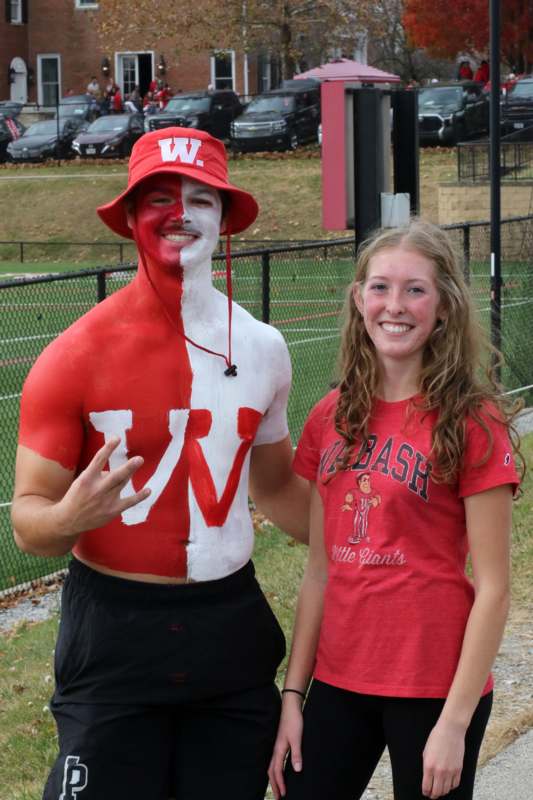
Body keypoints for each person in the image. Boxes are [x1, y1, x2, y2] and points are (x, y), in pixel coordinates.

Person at [11, 127, 310, 800]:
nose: (180, 213)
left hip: (228, 626)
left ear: (225, 217)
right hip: (114, 630)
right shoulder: (74, 354)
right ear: (128, 219)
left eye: (200, 198)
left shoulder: (263, 348)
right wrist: (69, 516)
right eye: (159, 198)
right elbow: (29, 525)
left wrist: (373, 530)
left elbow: (277, 489)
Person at [269, 219, 523, 800]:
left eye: (416, 289)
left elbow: (493, 590)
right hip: (340, 680)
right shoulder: (330, 415)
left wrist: (455, 725)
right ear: (359, 299)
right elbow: (319, 571)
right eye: (381, 287)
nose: (396, 306)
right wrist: (293, 697)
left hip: (434, 685)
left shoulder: (472, 420)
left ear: (444, 307)